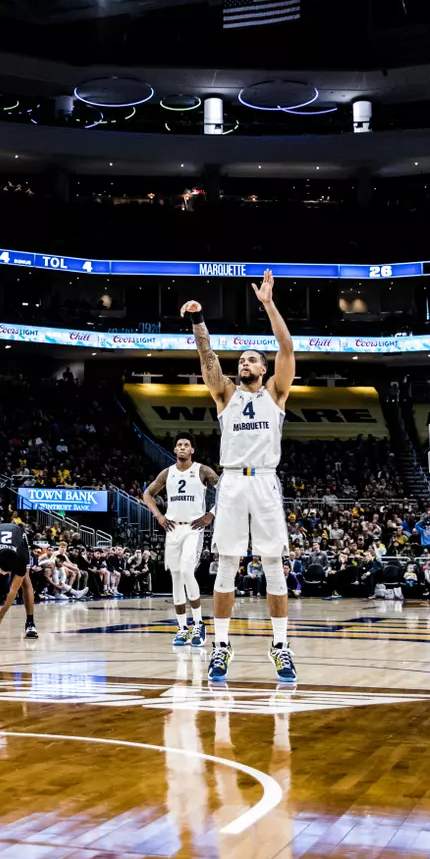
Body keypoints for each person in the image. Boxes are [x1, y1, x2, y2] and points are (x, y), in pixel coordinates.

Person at [180, 268, 297, 684]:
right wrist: (198, 322)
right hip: (231, 481)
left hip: (264, 480)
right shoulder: (226, 394)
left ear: (263, 370)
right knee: (227, 564)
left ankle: (280, 647)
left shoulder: (276, 392)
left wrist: (267, 304)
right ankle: (222, 646)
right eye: (241, 360)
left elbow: (285, 345)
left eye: (251, 360)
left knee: (274, 565)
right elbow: (207, 359)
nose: (243, 363)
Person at [141, 436, 217, 648]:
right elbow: (147, 494)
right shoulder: (167, 473)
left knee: (186, 571)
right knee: (175, 577)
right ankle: (183, 628)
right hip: (173, 527)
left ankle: (199, 623)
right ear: (175, 450)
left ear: (192, 449)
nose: (182, 448)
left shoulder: (204, 470)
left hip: (193, 528)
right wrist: (159, 516)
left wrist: (211, 514)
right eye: (179, 445)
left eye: (186, 445)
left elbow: (226, 490)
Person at [0, 517, 38, 640]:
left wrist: (0, 615)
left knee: (26, 582)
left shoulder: (21, 558)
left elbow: (13, 590)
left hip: (18, 538)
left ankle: (30, 622)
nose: (5, 574)